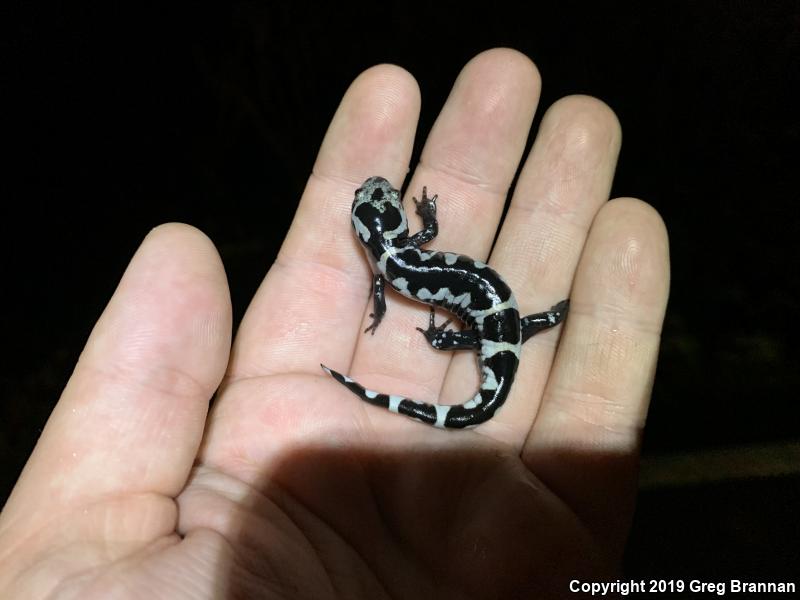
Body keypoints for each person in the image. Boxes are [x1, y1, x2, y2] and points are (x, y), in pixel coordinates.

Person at [0, 48, 669, 598]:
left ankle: (506, 335)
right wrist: (442, 318)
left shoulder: (391, 268)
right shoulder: (401, 262)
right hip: (484, 309)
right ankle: (516, 330)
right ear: (388, 227)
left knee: (494, 348)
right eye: (377, 200)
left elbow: (393, 281)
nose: (379, 193)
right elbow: (417, 246)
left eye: (378, 197)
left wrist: (433, 325)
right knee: (498, 342)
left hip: (484, 310)